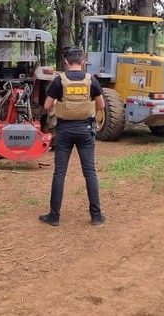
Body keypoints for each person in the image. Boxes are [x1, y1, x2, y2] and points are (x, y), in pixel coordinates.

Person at [39, 47, 105, 226]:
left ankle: (54, 216)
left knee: (59, 173)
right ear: (83, 62)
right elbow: (101, 105)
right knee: (90, 172)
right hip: (86, 130)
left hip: (65, 131)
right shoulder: (91, 80)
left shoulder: (59, 80)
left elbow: (46, 105)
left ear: (66, 62)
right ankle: (96, 216)